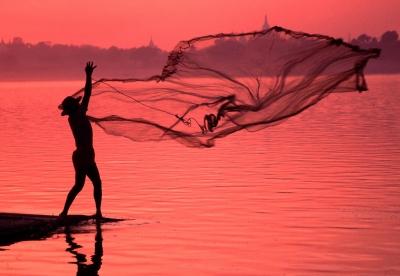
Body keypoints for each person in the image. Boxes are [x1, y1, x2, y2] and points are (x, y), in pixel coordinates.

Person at [59, 61, 102, 218]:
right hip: (86, 153)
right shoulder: (79, 113)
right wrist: (88, 75)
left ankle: (64, 213)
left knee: (78, 185)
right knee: (97, 182)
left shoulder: (72, 118)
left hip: (78, 155)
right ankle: (98, 213)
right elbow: (88, 94)